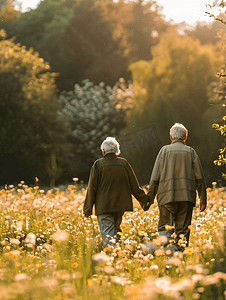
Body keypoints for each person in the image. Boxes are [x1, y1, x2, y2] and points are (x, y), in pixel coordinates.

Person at [147, 123, 207, 254]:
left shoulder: (163, 151)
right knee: (183, 229)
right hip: (187, 197)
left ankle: (171, 253)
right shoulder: (191, 152)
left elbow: (155, 176)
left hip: (166, 196)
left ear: (171, 137)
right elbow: (200, 178)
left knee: (165, 227)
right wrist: (203, 199)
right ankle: (180, 257)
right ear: (185, 138)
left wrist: (149, 198)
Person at [83, 137, 149, 247]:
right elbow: (134, 185)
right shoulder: (123, 163)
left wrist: (87, 209)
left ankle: (112, 259)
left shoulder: (98, 165)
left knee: (108, 236)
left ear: (103, 151)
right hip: (119, 206)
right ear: (116, 151)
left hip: (104, 206)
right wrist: (145, 200)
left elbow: (92, 188)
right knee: (116, 232)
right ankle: (119, 258)